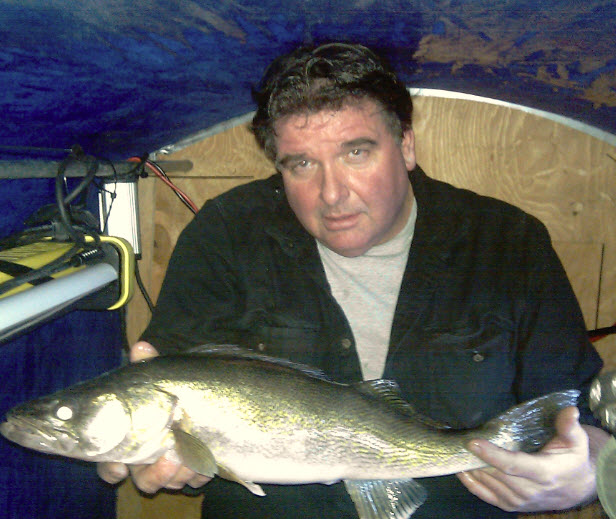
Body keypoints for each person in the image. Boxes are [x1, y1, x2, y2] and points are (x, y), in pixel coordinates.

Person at [98, 42, 609, 518]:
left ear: (405, 145)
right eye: (302, 164)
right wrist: (160, 453)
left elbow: (574, 409)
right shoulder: (224, 236)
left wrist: (591, 470)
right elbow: (174, 413)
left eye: (356, 153)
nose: (332, 194)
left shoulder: (507, 241)